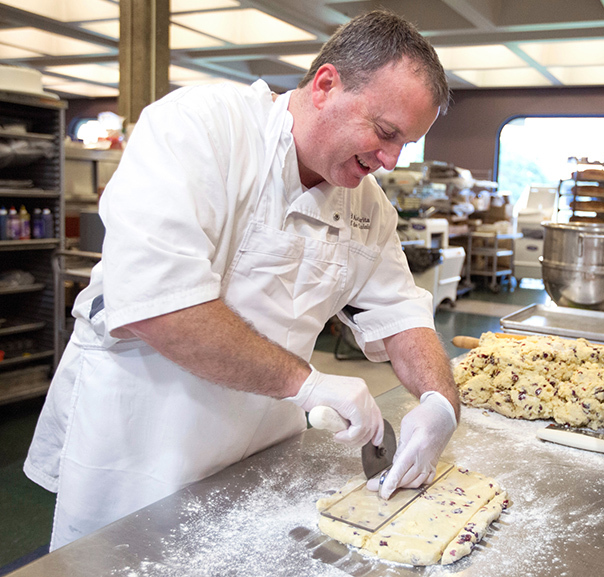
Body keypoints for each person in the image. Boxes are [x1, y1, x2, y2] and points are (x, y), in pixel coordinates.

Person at [24, 10, 459, 550]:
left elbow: (402, 315)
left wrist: (439, 404)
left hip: (260, 445)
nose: (391, 160)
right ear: (325, 85)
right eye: (385, 132)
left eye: (405, 145)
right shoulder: (200, 128)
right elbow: (162, 306)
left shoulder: (366, 206)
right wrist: (310, 385)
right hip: (143, 440)